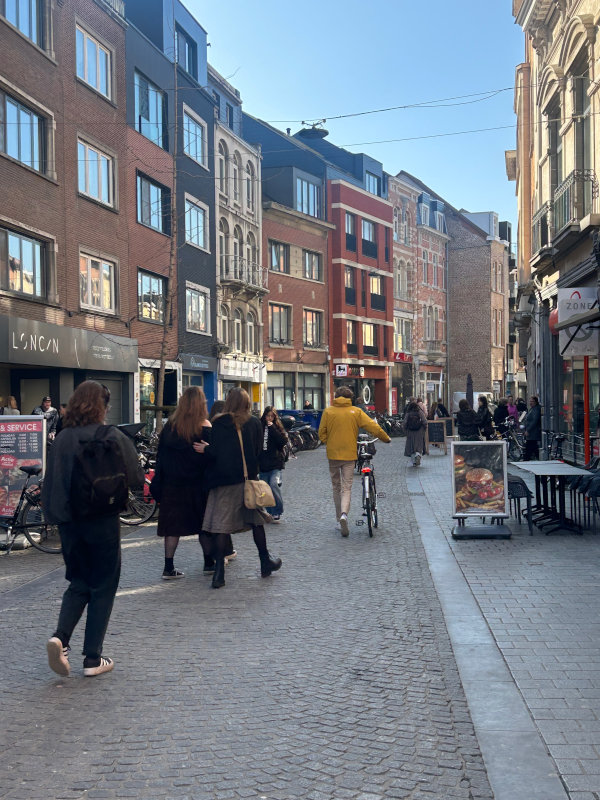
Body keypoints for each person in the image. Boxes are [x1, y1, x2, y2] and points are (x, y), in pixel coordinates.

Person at [42, 381, 143, 678]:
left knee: (79, 582)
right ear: (102, 407)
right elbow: (136, 476)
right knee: (104, 586)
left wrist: (57, 519)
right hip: (103, 521)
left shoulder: (62, 438)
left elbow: (53, 484)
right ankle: (92, 658)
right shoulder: (112, 435)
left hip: (70, 523)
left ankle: (60, 638)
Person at [197, 388, 282, 589]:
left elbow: (216, 452)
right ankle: (264, 562)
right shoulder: (254, 423)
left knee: (220, 527)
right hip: (247, 481)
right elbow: (257, 451)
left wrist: (206, 449)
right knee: (256, 523)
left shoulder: (218, 423)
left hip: (224, 482)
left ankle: (219, 573)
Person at [153, 386, 212, 580]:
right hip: (197, 485)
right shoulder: (204, 427)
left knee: (173, 527)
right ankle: (209, 563)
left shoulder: (170, 427)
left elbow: (160, 456)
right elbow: (210, 459)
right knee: (204, 524)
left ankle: (168, 567)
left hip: (173, 485)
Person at [318, 386, 391, 536]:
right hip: (349, 455)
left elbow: (321, 433)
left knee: (336, 487)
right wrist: (385, 438)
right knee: (347, 487)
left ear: (336, 397)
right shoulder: (356, 412)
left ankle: (339, 520)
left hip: (333, 455)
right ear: (350, 398)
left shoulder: (328, 411)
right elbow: (373, 427)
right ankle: (345, 514)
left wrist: (329, 442)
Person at [259, 406, 288, 522]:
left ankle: (277, 511)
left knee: (273, 484)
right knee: (264, 490)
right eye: (267, 416)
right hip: (262, 464)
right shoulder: (259, 427)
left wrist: (272, 429)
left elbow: (282, 442)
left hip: (275, 463)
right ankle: (270, 512)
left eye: (272, 416)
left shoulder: (277, 428)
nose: (269, 418)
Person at [403, 400, 427, 466]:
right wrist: (424, 428)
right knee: (418, 446)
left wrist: (405, 430)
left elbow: (405, 422)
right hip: (419, 431)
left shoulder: (408, 413)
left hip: (410, 432)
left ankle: (414, 461)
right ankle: (418, 455)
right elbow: (424, 421)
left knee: (412, 447)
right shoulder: (419, 412)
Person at [524, 395, 541, 461]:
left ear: (536, 402)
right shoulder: (532, 409)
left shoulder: (536, 409)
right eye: (530, 401)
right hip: (531, 433)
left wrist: (528, 430)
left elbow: (534, 421)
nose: (531, 403)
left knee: (530, 446)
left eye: (532, 401)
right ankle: (535, 457)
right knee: (533, 447)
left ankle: (526, 459)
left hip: (533, 432)